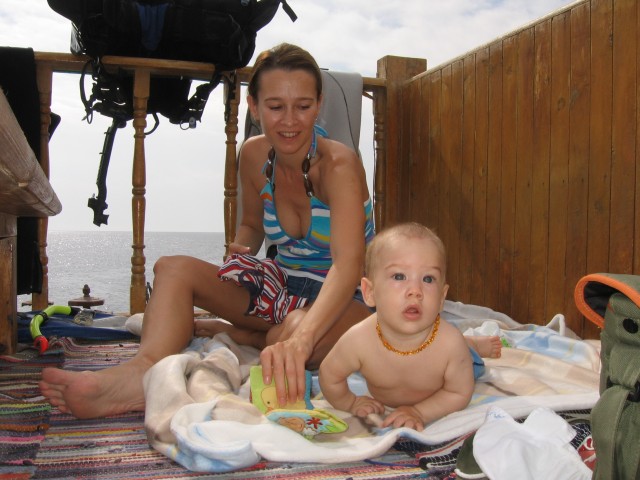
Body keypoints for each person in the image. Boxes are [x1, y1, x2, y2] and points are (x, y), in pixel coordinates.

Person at [39, 43, 375, 418]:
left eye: (303, 106)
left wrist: (301, 340)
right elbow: (251, 225)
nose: (290, 121)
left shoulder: (339, 165)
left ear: (319, 104)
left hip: (345, 298)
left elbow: (348, 266)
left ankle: (250, 335)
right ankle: (142, 375)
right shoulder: (253, 155)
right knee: (172, 269)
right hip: (281, 290)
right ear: (254, 106)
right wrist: (240, 251)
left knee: (293, 336)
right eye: (276, 106)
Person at [319, 222, 495, 431]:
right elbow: (329, 376)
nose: (415, 290)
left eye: (428, 279)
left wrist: (419, 412)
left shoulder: (450, 345)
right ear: (369, 292)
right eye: (399, 276)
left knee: (467, 355)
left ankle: (473, 345)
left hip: (460, 361)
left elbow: (458, 393)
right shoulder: (358, 340)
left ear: (441, 298)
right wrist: (350, 402)